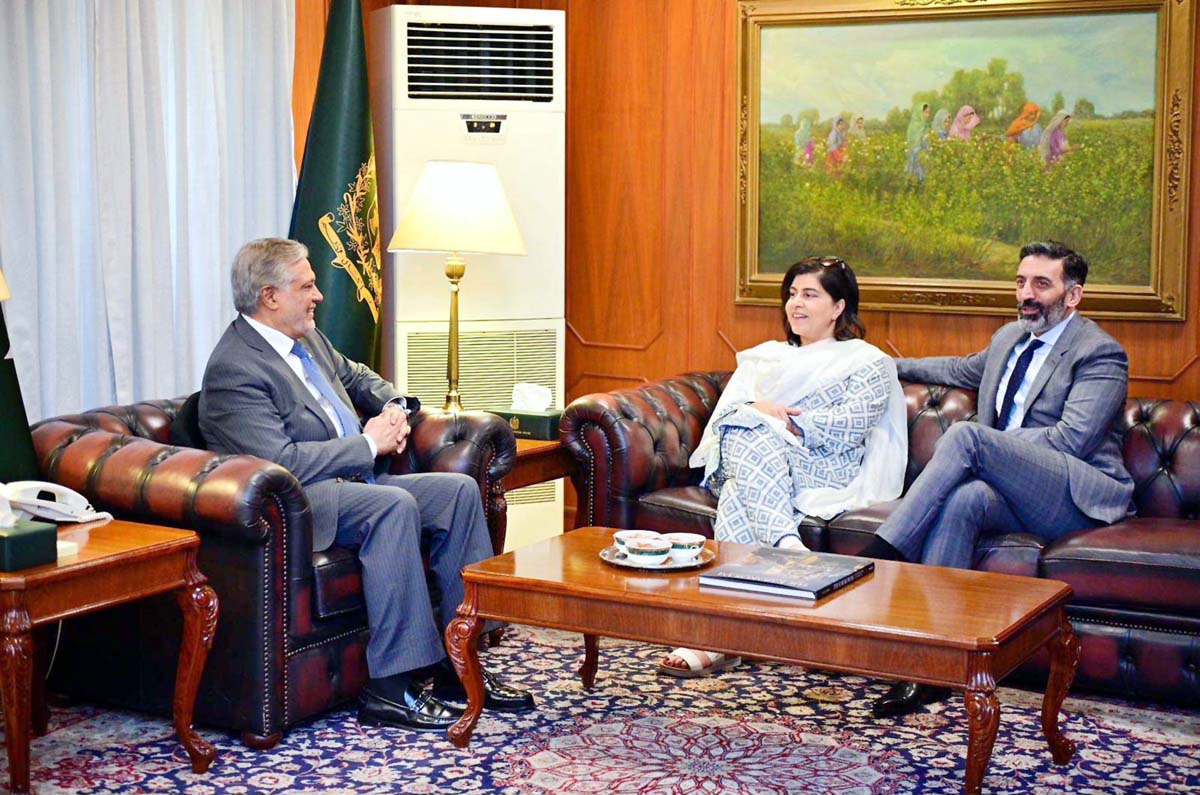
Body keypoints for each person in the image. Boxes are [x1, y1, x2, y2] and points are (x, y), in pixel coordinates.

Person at [199, 238, 534, 732]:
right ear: (269, 296)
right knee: (392, 505)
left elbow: (358, 379)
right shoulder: (235, 368)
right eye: (307, 285)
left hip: (355, 481)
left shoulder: (305, 337)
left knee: (458, 492)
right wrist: (367, 445)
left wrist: (396, 407)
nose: (318, 295)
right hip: (300, 502)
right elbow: (279, 462)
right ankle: (391, 687)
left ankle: (458, 662)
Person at [858, 241, 1133, 718]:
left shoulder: (1100, 353)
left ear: (1073, 296)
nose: (1027, 294)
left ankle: (881, 554)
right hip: (1008, 487)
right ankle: (935, 668)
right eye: (1022, 282)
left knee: (969, 438)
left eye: (1041, 284)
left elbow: (1071, 440)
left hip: (1075, 492)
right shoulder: (1009, 337)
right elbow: (957, 369)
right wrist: (882, 365)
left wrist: (992, 449)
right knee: (965, 499)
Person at [658, 257, 908, 677]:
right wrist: (757, 410)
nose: (796, 304)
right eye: (792, 294)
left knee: (741, 486)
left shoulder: (867, 362)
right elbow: (724, 422)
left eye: (810, 295)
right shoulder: (765, 358)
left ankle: (717, 637)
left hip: (822, 465)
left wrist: (783, 421)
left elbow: (849, 427)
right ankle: (789, 549)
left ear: (838, 307)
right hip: (757, 460)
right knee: (747, 427)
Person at [905, 103, 931, 182]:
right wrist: (924, 139)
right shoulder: (914, 126)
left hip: (923, 156)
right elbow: (913, 142)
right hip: (915, 155)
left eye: (929, 113)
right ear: (920, 113)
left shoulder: (925, 126)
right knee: (916, 177)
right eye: (926, 112)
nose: (928, 115)